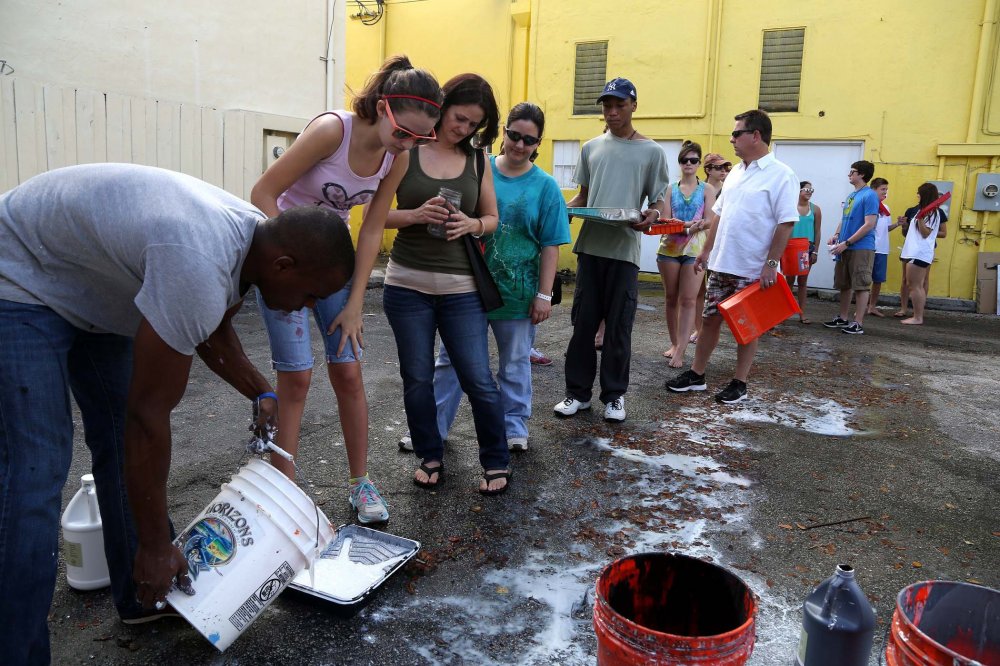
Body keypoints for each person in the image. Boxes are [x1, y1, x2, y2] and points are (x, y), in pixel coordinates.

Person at [0, 163, 355, 664]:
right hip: (20, 276)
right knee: (35, 470)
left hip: (88, 285)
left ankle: (142, 595)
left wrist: (260, 391)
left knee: (114, 430)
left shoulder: (251, 241)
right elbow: (149, 416)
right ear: (283, 266)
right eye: (311, 295)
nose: (305, 308)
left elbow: (208, 328)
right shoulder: (199, 262)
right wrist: (154, 544)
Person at [250, 55, 442, 524]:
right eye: (404, 132)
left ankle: (361, 482)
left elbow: (372, 228)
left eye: (421, 138)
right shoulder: (332, 133)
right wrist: (294, 261)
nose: (409, 144)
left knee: (349, 373)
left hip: (333, 266)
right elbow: (262, 194)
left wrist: (356, 302)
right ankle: (283, 492)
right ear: (381, 108)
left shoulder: (396, 157)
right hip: (288, 262)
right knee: (295, 378)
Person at [383, 73, 511, 495]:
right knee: (417, 377)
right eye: (459, 118)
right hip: (406, 286)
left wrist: (472, 223)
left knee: (478, 379)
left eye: (473, 125)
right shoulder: (407, 148)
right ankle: (429, 454)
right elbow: (375, 215)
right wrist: (417, 215)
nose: (464, 129)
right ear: (442, 106)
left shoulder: (478, 161)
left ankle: (496, 460)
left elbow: (491, 218)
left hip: (461, 290)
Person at [429, 102, 571, 452]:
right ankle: (432, 429)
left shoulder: (546, 186)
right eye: (514, 135)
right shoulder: (478, 168)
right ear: (504, 132)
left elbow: (551, 244)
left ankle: (514, 429)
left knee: (515, 363)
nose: (520, 145)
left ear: (539, 143)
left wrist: (544, 295)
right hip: (467, 288)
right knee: (449, 361)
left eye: (529, 140)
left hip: (518, 293)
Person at [554, 77, 669, 423]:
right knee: (583, 326)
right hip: (590, 247)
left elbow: (659, 202)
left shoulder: (652, 152)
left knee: (619, 327)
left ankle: (614, 396)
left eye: (620, 104)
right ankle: (577, 394)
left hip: (625, 251)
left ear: (634, 105)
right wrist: (561, 210)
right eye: (607, 105)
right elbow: (584, 197)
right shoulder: (591, 148)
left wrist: (652, 215)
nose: (613, 111)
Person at [665, 109, 799, 404]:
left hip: (753, 269)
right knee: (710, 319)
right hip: (722, 263)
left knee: (747, 327)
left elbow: (785, 222)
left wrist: (771, 264)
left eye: (737, 133)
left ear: (756, 135)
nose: (732, 139)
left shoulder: (782, 175)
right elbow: (720, 215)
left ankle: (740, 382)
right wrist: (706, 251)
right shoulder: (737, 172)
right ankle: (697, 376)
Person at [656, 140, 715, 368]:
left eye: (693, 160)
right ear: (679, 163)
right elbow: (667, 221)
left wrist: (691, 226)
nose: (688, 164)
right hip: (669, 248)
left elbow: (710, 220)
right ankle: (673, 343)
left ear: (699, 163)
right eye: (684, 160)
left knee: (689, 299)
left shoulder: (707, 189)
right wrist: (691, 225)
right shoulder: (671, 188)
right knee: (671, 298)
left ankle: (681, 348)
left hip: (694, 249)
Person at [822, 160, 879, 335]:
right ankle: (843, 317)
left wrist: (847, 243)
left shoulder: (869, 195)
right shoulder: (851, 196)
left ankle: (858, 323)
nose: (849, 174)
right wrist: (837, 235)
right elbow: (844, 218)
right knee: (844, 284)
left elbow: (869, 224)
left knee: (861, 285)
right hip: (845, 246)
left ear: (861, 174)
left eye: (852, 171)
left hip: (861, 247)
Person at [691, 153, 732, 342]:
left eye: (726, 168)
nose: (724, 171)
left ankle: (711, 329)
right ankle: (698, 329)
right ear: (708, 170)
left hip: (721, 246)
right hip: (698, 243)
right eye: (719, 167)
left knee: (714, 290)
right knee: (699, 290)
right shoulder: (699, 190)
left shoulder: (729, 190)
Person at [900, 182, 947, 325]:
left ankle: (917, 317)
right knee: (913, 284)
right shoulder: (925, 211)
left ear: (924, 195)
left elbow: (926, 233)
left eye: (919, 193)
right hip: (914, 252)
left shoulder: (932, 213)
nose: (917, 195)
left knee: (916, 286)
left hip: (919, 252)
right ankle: (917, 316)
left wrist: (919, 218)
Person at [787, 181, 823, 323]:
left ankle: (801, 313)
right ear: (798, 190)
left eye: (811, 189)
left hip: (807, 249)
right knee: (789, 281)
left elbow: (817, 231)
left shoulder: (815, 209)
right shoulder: (789, 207)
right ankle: (785, 312)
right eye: (806, 189)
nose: (809, 192)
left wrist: (816, 252)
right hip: (790, 248)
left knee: (803, 281)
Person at [867, 177, 891, 317]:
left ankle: (872, 306)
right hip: (868, 247)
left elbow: (886, 228)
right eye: (883, 189)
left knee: (878, 280)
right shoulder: (868, 204)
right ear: (874, 189)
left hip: (882, 248)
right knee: (864, 279)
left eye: (886, 189)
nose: (885, 192)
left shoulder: (886, 208)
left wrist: (898, 224)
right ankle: (860, 307)